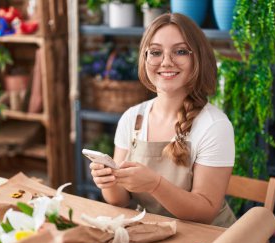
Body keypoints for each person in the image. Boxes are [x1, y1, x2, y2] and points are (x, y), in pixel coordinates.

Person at [89, 13, 236, 227]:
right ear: (145, 58)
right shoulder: (132, 118)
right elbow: (120, 200)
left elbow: (206, 212)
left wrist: (154, 184)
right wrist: (107, 181)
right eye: (156, 52)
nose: (166, 62)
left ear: (198, 58)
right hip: (155, 232)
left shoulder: (214, 126)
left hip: (208, 240)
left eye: (180, 51)